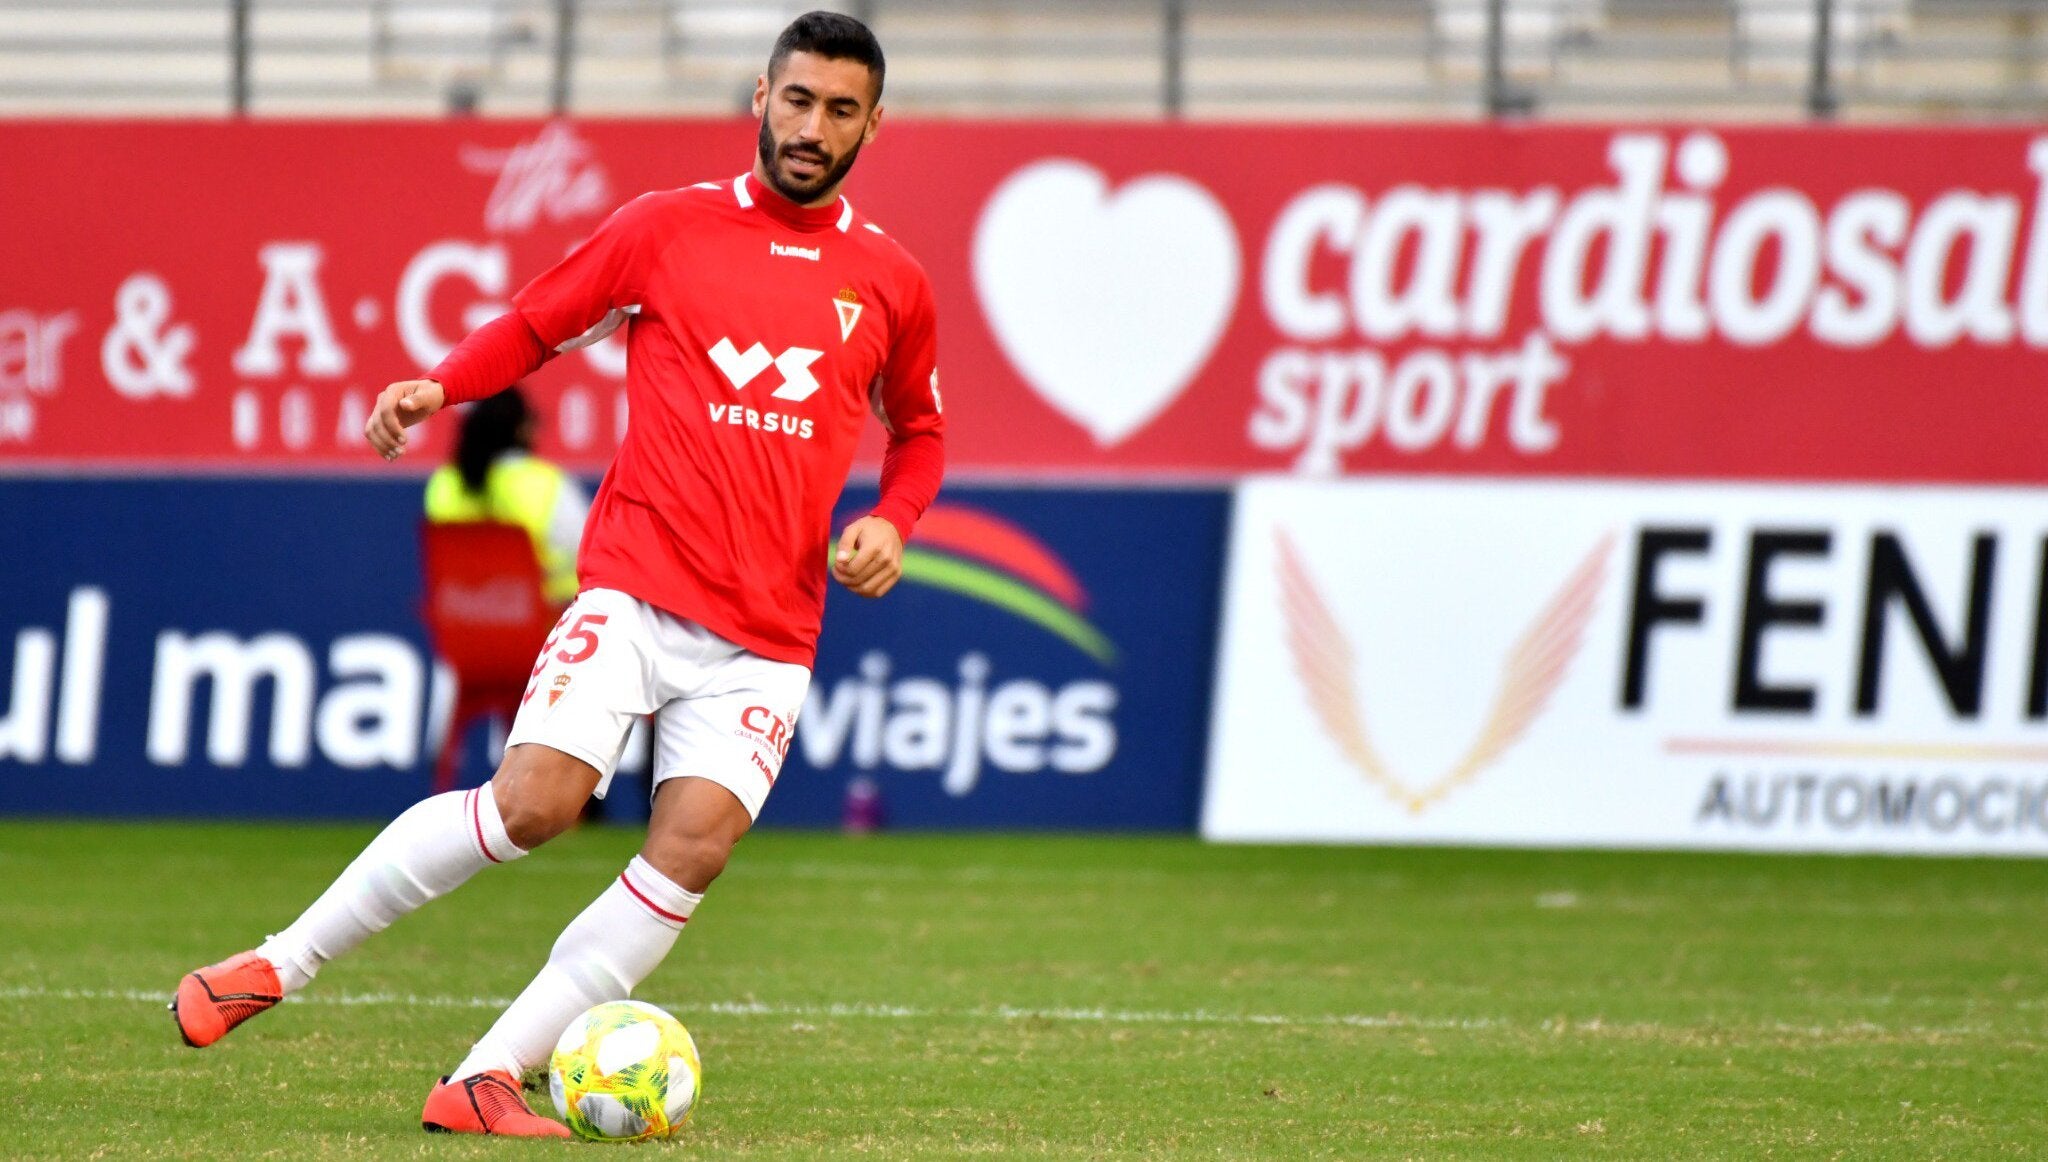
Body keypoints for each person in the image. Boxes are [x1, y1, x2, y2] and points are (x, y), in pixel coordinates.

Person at [169, 11, 943, 1138]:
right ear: (759, 96)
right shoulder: (663, 228)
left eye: (839, 110)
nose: (811, 128)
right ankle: (276, 964)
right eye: (796, 100)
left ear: (872, 125)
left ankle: (486, 1076)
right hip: (636, 589)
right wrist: (441, 384)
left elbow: (919, 430)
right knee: (533, 805)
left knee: (693, 849)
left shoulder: (891, 281)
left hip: (769, 634)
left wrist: (894, 518)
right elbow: (536, 324)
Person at [424, 386, 588, 606]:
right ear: (521, 428)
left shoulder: (443, 482)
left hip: (462, 618)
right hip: (543, 619)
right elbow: (589, 555)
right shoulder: (549, 484)